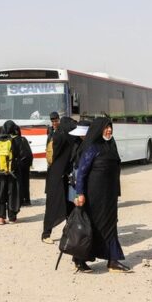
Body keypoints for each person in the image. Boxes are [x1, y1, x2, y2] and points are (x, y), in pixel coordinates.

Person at [74, 117, 131, 273]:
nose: (109, 130)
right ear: (99, 129)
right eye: (106, 127)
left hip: (109, 195)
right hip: (93, 196)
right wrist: (80, 193)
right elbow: (82, 173)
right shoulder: (92, 147)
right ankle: (79, 260)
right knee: (91, 227)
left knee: (111, 226)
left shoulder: (111, 145)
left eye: (110, 127)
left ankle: (113, 260)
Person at [42, 117, 78, 243]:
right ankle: (46, 234)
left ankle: (67, 231)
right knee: (55, 205)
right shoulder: (64, 137)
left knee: (68, 205)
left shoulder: (60, 135)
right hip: (58, 177)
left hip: (58, 175)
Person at [0, 120, 27, 224]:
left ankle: (0, 217)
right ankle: (12, 217)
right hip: (13, 173)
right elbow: (24, 155)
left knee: (0, 194)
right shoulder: (17, 140)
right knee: (12, 194)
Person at [15, 124, 33, 206]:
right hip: (26, 163)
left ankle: (20, 199)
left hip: (19, 164)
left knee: (19, 182)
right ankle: (27, 199)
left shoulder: (14, 140)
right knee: (26, 182)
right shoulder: (23, 139)